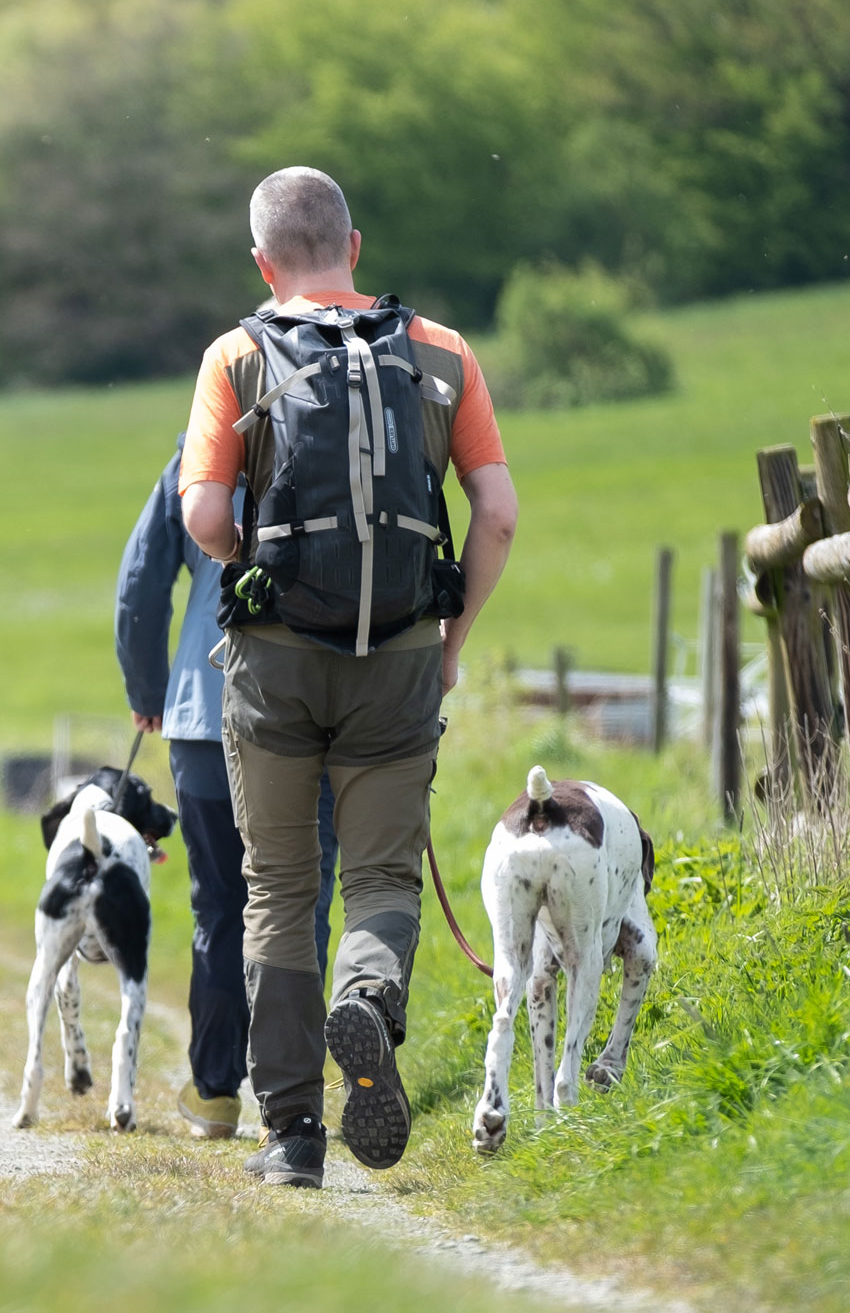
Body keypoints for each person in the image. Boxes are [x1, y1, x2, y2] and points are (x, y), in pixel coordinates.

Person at [179, 167, 518, 1187]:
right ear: (353, 245)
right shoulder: (442, 352)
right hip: (402, 657)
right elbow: (495, 513)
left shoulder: (235, 356)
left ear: (260, 260)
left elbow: (201, 518)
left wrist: (258, 565)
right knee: (376, 873)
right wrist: (449, 641)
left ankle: (288, 1133)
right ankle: (366, 995)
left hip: (273, 661)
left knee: (277, 887)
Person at [115, 449, 339, 1141]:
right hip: (316, 708)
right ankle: (294, 1094)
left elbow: (142, 586)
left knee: (221, 902)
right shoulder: (338, 438)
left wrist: (149, 689)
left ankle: (216, 1094)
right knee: (302, 898)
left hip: (205, 711)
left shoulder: (200, 451)